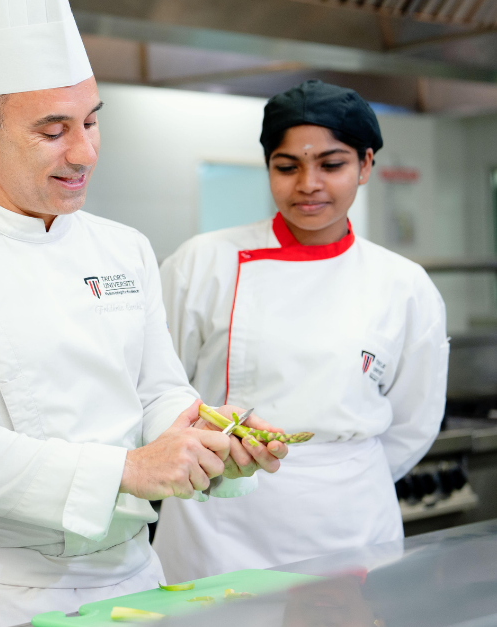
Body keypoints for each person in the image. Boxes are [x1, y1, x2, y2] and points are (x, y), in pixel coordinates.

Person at [0, 1, 288, 624]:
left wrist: (206, 435)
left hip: (135, 580)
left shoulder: (125, 248)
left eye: (92, 122)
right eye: (54, 131)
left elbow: (156, 389)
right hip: (0, 594)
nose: (86, 152)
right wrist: (128, 470)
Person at [153, 80, 449, 583]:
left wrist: (337, 469)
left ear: (366, 165)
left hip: (350, 517)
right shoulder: (202, 262)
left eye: (331, 165)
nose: (308, 184)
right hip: (220, 515)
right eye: (287, 167)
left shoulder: (403, 284)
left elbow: (414, 421)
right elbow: (159, 389)